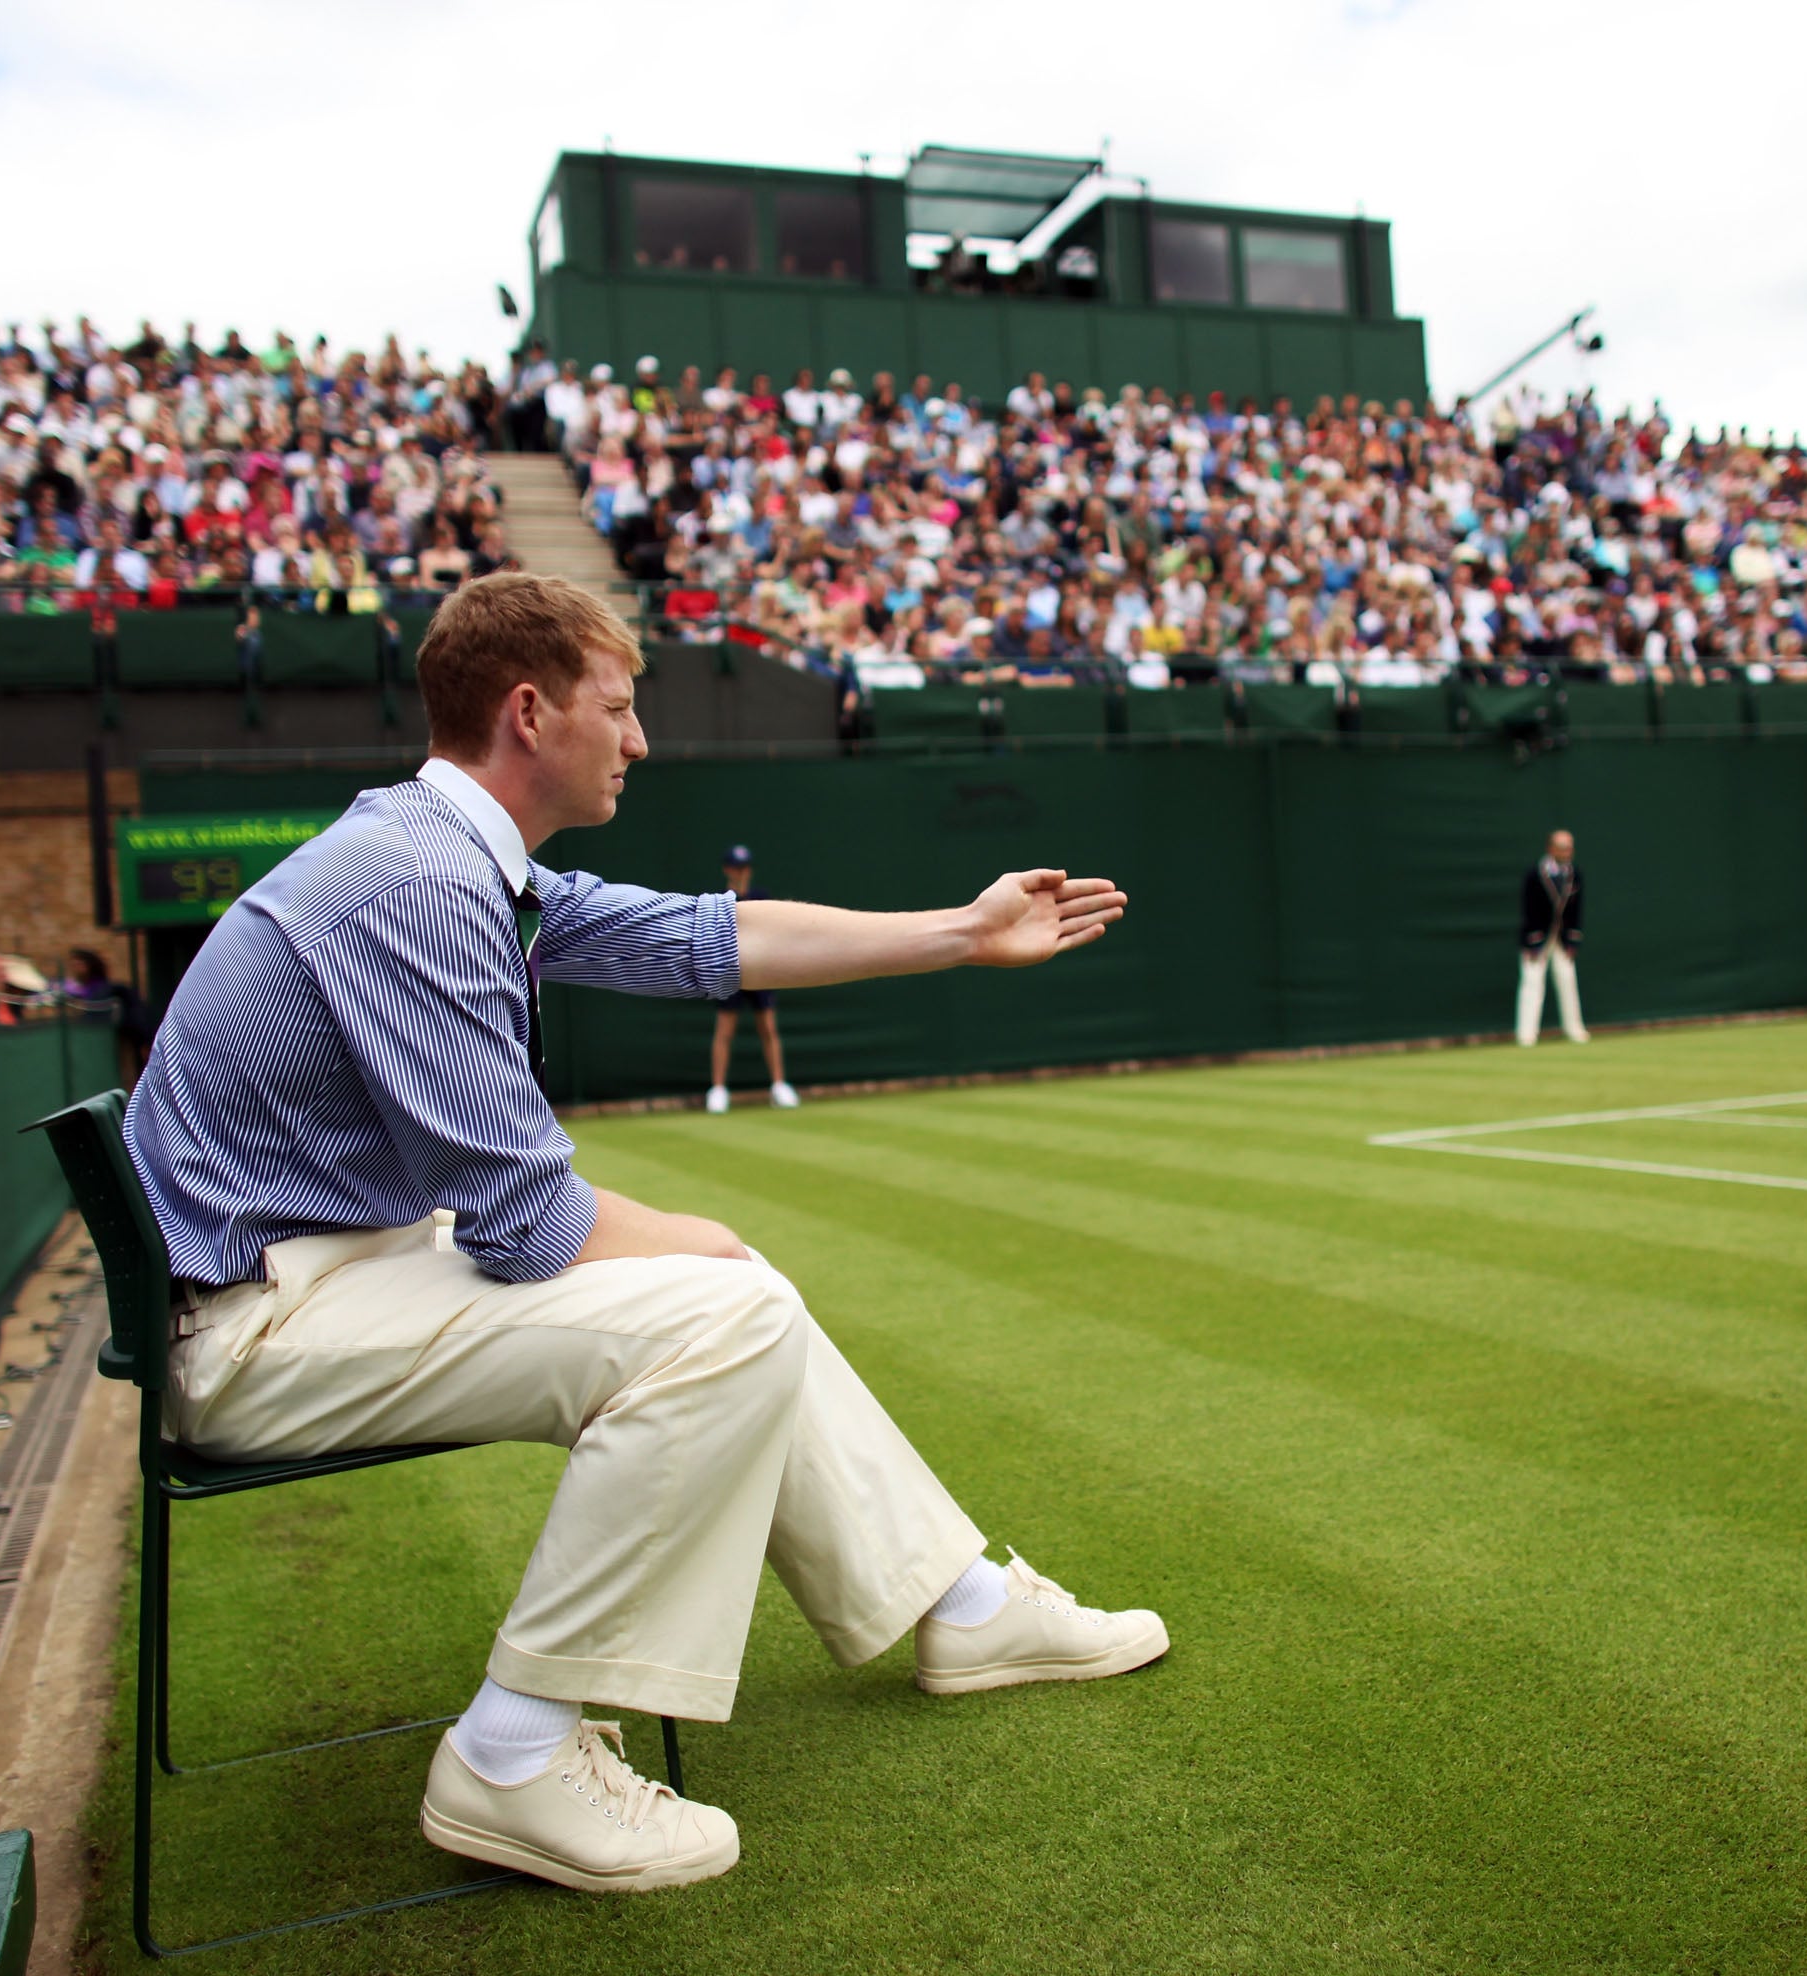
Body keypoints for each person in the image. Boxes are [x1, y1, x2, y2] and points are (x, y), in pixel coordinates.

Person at [120, 574, 1163, 1894]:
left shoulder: (448, 857)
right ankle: (514, 1754)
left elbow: (705, 939)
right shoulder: (419, 880)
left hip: (315, 1276)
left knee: (732, 1286)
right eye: (618, 708)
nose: (640, 738)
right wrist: (701, 1242)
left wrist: (961, 931)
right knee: (726, 1300)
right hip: (256, 1328)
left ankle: (958, 1607)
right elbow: (520, 1221)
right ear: (528, 713)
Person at [704, 844, 796, 1114]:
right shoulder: (719, 900)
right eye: (736, 867)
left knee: (768, 1028)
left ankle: (779, 1086)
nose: (741, 872)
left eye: (745, 867)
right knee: (724, 1032)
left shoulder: (760, 897)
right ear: (727, 869)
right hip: (729, 971)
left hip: (759, 971)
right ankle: (718, 1090)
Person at [1516, 829, 1587, 1047]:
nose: (1567, 851)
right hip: (1537, 937)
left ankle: (1574, 1029)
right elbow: (1528, 909)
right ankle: (1526, 1034)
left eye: (1570, 846)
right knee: (1532, 983)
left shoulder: (1575, 874)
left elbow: (1576, 911)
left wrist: (1572, 939)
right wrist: (1533, 940)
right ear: (1551, 848)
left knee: (1567, 980)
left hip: (1562, 938)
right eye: (1562, 847)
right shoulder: (1535, 873)